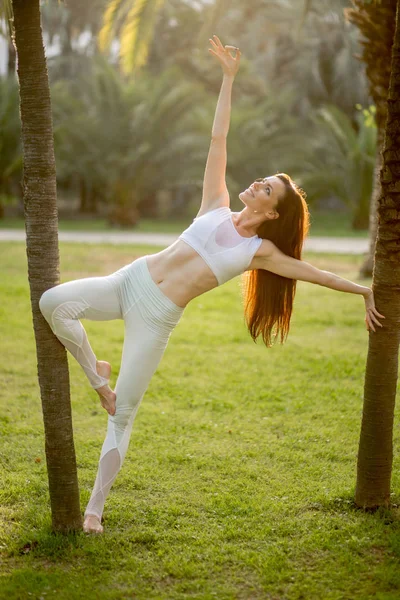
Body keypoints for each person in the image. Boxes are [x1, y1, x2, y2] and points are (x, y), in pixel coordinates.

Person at [39, 35, 384, 534]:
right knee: (54, 302)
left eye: (267, 188)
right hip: (128, 280)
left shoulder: (257, 253)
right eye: (264, 178)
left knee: (125, 414)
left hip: (155, 319)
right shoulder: (214, 201)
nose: (257, 183)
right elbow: (218, 138)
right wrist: (227, 79)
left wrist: (364, 290)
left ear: (272, 212)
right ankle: (97, 375)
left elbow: (315, 273)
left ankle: (94, 510)